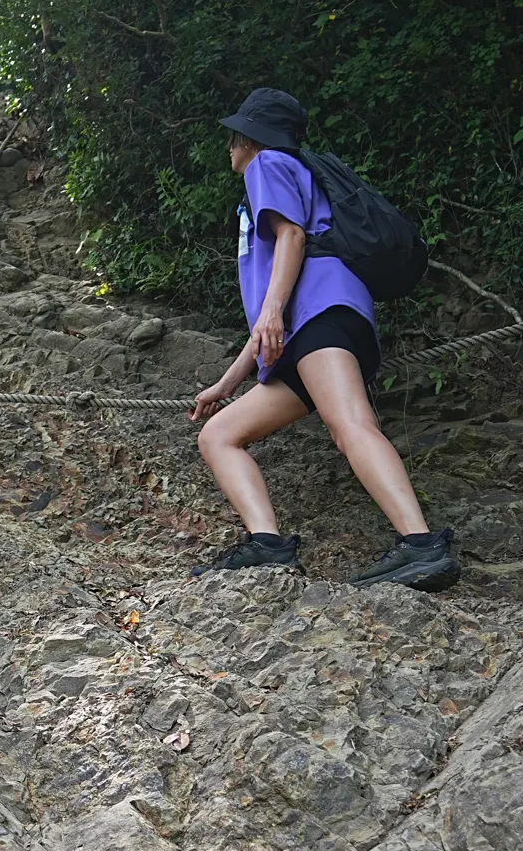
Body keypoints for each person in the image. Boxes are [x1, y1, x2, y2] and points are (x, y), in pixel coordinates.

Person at [187, 87, 458, 588]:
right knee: (219, 435)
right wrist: (226, 385)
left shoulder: (267, 165)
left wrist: (271, 315)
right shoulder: (288, 170)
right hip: (309, 326)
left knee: (351, 425)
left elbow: (291, 239)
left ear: (251, 138)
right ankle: (267, 545)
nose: (229, 146)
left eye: (234, 136)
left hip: (320, 315)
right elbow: (274, 302)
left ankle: (421, 544)